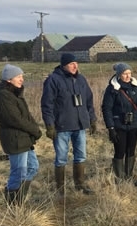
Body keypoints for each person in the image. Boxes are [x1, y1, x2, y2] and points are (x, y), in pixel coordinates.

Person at [41, 53, 97, 196]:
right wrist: (50, 125)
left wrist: (92, 119)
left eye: (76, 63)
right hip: (62, 126)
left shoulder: (81, 79)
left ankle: (80, 184)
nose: (75, 66)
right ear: (64, 65)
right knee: (61, 157)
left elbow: (89, 101)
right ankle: (60, 189)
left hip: (79, 125)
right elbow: (47, 105)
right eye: (71, 63)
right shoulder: (53, 80)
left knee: (81, 156)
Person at [0, 64, 42, 205]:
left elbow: (26, 116)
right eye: (18, 76)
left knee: (32, 167)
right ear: (9, 79)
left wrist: (34, 129)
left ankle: (20, 198)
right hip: (15, 139)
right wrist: (34, 130)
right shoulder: (3, 96)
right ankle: (13, 205)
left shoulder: (16, 94)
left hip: (24, 138)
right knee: (18, 172)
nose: (22, 79)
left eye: (22, 76)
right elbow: (15, 119)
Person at [102, 63, 137, 185]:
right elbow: (106, 109)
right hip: (119, 126)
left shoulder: (136, 88)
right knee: (120, 150)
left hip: (134, 125)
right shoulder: (112, 89)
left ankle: (129, 177)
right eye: (125, 73)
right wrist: (110, 128)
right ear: (119, 75)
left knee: (131, 150)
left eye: (129, 73)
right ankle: (119, 179)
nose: (128, 76)